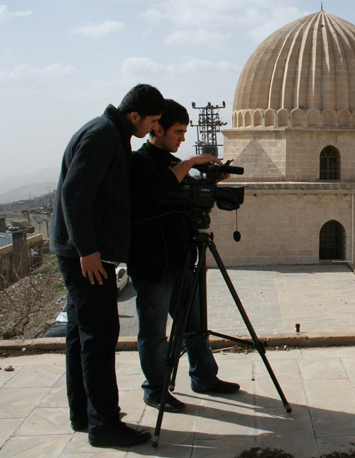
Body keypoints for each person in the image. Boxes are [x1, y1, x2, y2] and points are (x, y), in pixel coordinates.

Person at [50, 84, 164, 447]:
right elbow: (74, 192)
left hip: (82, 252)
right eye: (153, 122)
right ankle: (104, 425)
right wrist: (88, 251)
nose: (153, 130)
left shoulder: (108, 132)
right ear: (135, 116)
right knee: (99, 338)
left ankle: (84, 413)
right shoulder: (102, 135)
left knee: (81, 337)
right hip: (87, 258)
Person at [128, 99, 240, 413]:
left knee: (194, 325)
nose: (181, 138)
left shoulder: (173, 163)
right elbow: (158, 189)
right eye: (177, 131)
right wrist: (190, 162)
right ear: (157, 128)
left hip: (180, 258)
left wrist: (211, 182)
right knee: (154, 334)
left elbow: (193, 202)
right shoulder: (140, 165)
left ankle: (204, 377)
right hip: (152, 263)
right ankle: (156, 390)